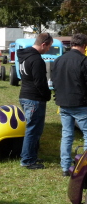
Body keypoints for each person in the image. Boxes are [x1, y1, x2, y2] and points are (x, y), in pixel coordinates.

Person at [51, 33, 87, 176]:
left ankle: (65, 167)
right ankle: (84, 166)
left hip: (63, 103)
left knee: (67, 135)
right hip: (80, 103)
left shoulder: (58, 60)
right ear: (84, 46)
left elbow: (54, 81)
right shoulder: (84, 61)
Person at [17, 33, 52, 169]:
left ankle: (31, 155)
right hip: (34, 98)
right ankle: (27, 160)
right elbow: (40, 82)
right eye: (48, 47)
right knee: (33, 129)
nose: (48, 50)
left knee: (34, 129)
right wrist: (47, 95)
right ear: (43, 44)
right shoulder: (37, 60)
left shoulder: (24, 57)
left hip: (25, 95)